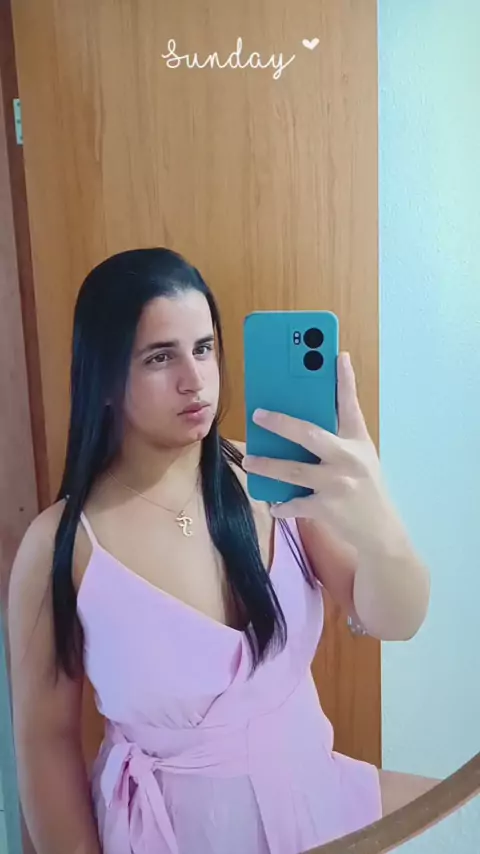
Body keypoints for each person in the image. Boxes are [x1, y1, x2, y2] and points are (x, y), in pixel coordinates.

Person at [8, 248, 434, 854]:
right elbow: (45, 740)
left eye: (204, 348)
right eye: (160, 357)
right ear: (103, 377)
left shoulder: (274, 478)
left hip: (316, 815)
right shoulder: (63, 545)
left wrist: (379, 522)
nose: (195, 380)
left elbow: (398, 620)